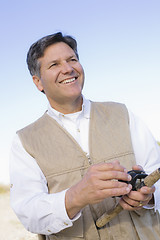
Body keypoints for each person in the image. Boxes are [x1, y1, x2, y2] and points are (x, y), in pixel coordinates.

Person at [10, 32, 160, 240]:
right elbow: (29, 214)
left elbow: (156, 173)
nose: (68, 68)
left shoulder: (122, 114)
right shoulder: (24, 141)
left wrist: (150, 195)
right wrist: (75, 197)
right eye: (54, 65)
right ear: (38, 82)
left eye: (72, 59)